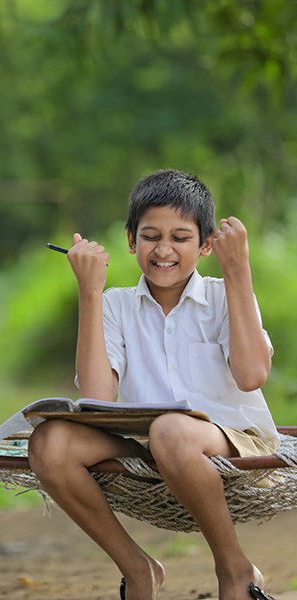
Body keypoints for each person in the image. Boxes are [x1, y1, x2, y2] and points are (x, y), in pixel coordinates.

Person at [28, 169, 279, 600]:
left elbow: (252, 375)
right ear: (131, 241)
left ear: (204, 246)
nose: (163, 250)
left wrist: (238, 270)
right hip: (148, 441)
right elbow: (97, 398)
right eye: (150, 236)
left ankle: (233, 567)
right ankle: (138, 567)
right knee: (49, 442)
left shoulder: (224, 294)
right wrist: (90, 292)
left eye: (180, 237)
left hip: (235, 439)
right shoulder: (115, 304)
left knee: (171, 429)